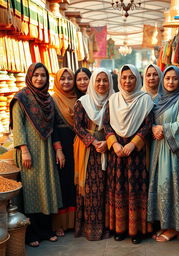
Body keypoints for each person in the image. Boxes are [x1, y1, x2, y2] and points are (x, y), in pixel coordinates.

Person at [9, 63, 64, 247]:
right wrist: (24, 150)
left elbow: (53, 127)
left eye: (43, 75)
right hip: (29, 152)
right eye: (36, 75)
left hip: (46, 152)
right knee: (31, 191)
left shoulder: (48, 99)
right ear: (30, 76)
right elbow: (18, 127)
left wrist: (58, 149)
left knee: (45, 189)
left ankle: (46, 230)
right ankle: (31, 234)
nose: (40, 79)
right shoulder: (21, 98)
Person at [103, 64, 154, 244]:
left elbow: (148, 124)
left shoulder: (145, 99)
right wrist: (114, 143)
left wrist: (134, 144)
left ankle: (137, 230)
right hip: (116, 153)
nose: (127, 81)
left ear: (137, 79)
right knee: (118, 189)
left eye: (131, 77)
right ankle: (120, 229)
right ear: (119, 79)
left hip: (136, 155)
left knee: (136, 189)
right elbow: (106, 124)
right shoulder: (113, 99)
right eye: (124, 77)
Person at [147, 65, 179, 242]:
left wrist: (163, 129)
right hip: (158, 150)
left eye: (174, 78)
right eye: (167, 78)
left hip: (174, 151)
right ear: (162, 80)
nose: (171, 81)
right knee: (160, 186)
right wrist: (152, 128)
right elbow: (149, 121)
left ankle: (175, 228)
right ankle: (164, 224)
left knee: (172, 186)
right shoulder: (157, 99)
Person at [74, 68, 114, 240]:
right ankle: (90, 229)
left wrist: (108, 142)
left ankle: (108, 227)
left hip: (110, 148)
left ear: (110, 82)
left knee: (107, 189)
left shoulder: (115, 101)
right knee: (91, 190)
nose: (101, 84)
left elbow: (118, 125)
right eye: (98, 80)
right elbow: (77, 126)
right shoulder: (82, 102)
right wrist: (93, 141)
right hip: (88, 151)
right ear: (92, 82)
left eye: (105, 80)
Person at [51, 68, 77, 237]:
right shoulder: (52, 100)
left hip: (78, 146)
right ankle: (59, 224)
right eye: (63, 79)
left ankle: (73, 222)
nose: (66, 82)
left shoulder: (79, 98)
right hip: (62, 147)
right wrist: (59, 150)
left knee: (75, 184)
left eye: (69, 78)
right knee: (62, 184)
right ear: (57, 81)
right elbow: (52, 128)